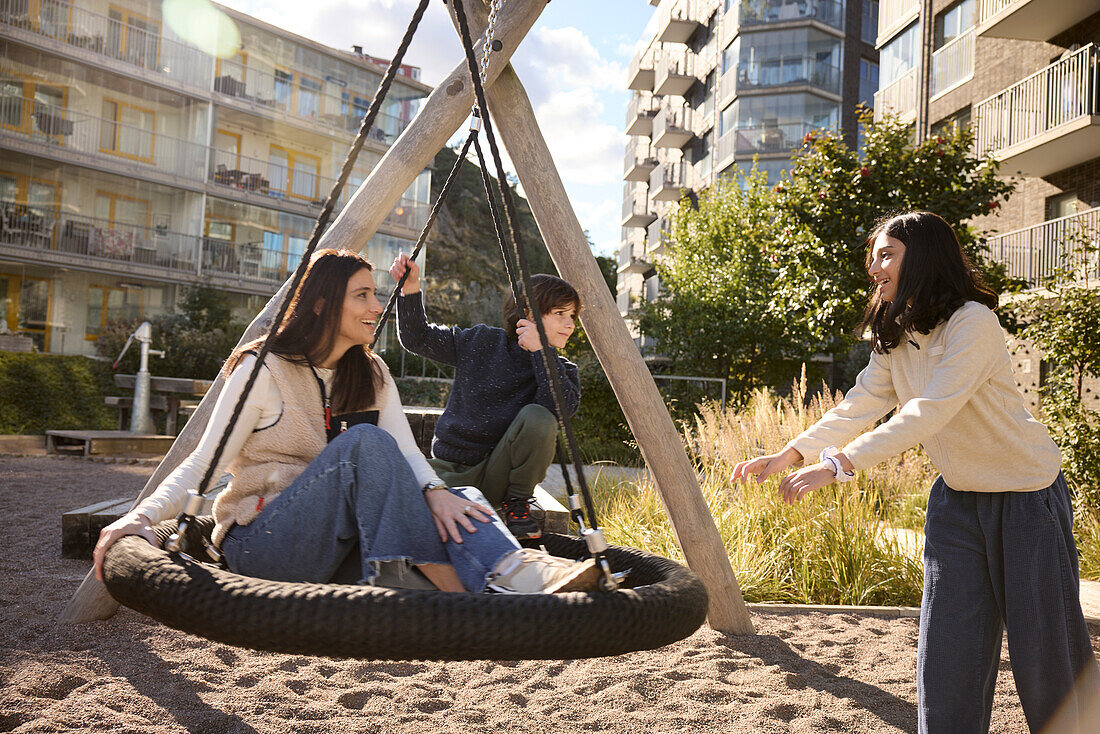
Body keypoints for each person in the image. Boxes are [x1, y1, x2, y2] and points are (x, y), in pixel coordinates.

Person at [731, 212, 1099, 733]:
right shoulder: (897, 332)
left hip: (1024, 497)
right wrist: (791, 454)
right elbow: (861, 403)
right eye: (873, 255)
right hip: (957, 501)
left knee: (1046, 648)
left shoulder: (973, 321)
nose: (873, 266)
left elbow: (930, 408)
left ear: (921, 257)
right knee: (948, 643)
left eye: (887, 254)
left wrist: (836, 465)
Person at [93, 249, 601, 595]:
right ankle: (465, 592)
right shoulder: (262, 370)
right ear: (322, 303)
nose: (376, 307)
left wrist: (436, 492)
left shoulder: (372, 373)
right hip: (265, 541)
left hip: (339, 539)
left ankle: (514, 571)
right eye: (363, 295)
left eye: (376, 295)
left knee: (461, 498)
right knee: (363, 443)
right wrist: (143, 517)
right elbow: (204, 462)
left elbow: (406, 454)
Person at [390, 253, 580, 540]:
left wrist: (542, 353)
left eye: (573, 316)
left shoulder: (561, 369)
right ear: (528, 313)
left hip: (499, 480)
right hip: (448, 471)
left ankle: (517, 504)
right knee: (386, 487)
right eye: (560, 314)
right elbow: (418, 338)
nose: (570, 324)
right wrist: (410, 288)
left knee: (539, 417)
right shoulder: (481, 342)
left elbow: (556, 412)